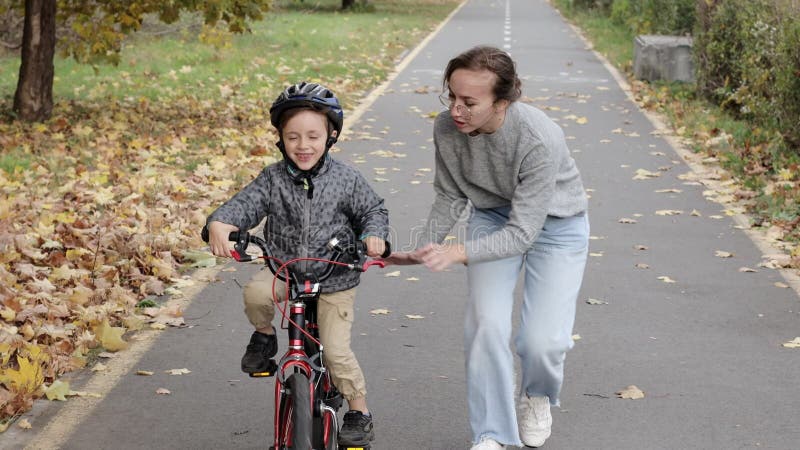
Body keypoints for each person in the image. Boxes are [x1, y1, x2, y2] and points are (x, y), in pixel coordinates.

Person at [386, 46, 589, 449]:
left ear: (503, 101)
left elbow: (523, 233)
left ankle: (537, 395)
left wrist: (458, 252)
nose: (456, 110)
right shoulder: (447, 129)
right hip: (492, 216)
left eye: (469, 102)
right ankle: (492, 433)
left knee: (542, 342)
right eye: (452, 97)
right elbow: (449, 196)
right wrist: (424, 246)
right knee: (486, 326)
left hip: (556, 226)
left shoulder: (538, 137)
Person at [206, 81, 388, 448]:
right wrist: (219, 224)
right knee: (257, 293)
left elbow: (373, 210)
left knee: (336, 351)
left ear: (330, 135)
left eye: (312, 136)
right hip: (284, 268)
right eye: (292, 137)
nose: (303, 146)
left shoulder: (346, 179)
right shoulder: (272, 180)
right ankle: (265, 337)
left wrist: (374, 236)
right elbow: (243, 206)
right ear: (280, 138)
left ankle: (358, 411)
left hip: (336, 275)